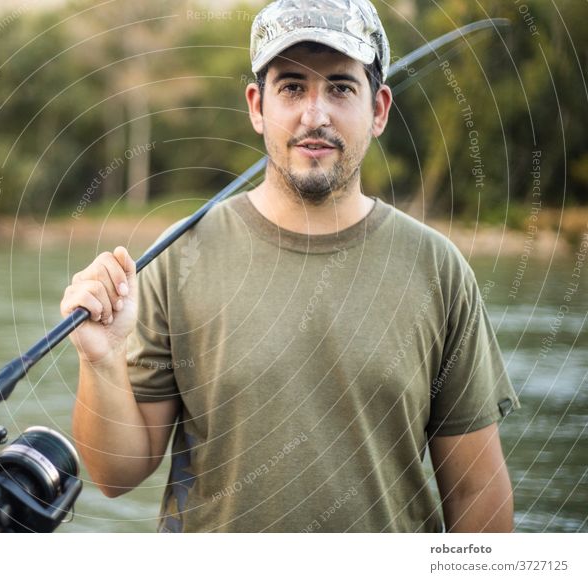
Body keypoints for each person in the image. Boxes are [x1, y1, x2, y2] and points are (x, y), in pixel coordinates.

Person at [60, 0, 519, 533]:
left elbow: (475, 494)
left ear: (379, 109)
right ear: (258, 106)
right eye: (293, 87)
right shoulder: (179, 256)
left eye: (342, 88)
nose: (315, 115)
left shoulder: (439, 269)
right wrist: (103, 360)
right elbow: (117, 474)